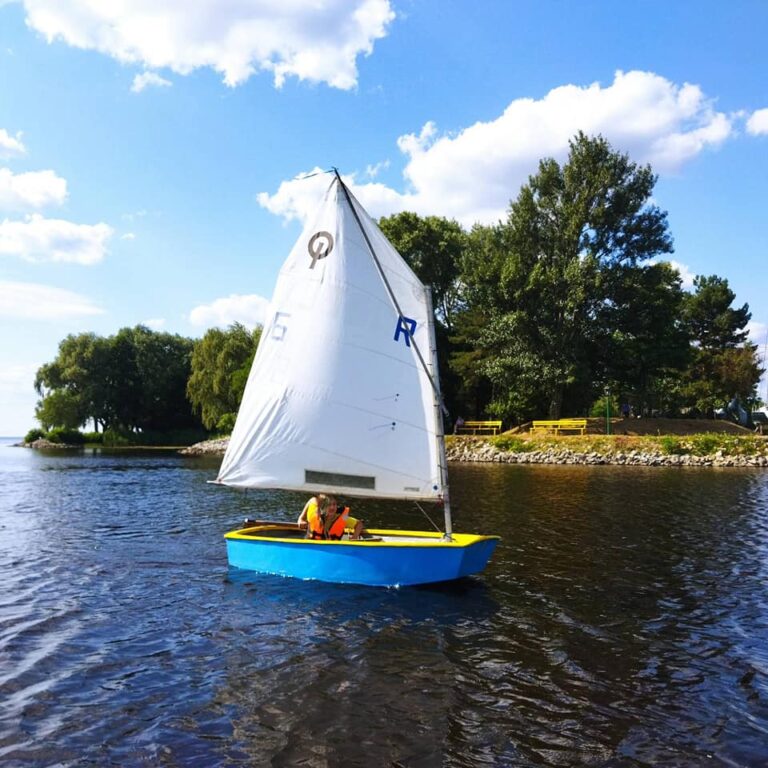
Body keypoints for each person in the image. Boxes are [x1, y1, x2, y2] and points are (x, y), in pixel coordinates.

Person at [297, 494, 365, 540]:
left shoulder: (343, 517)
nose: (332, 507)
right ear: (323, 507)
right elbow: (311, 500)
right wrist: (300, 520)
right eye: (329, 505)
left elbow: (359, 524)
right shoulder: (314, 513)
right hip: (313, 548)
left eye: (334, 504)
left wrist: (354, 537)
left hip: (332, 550)